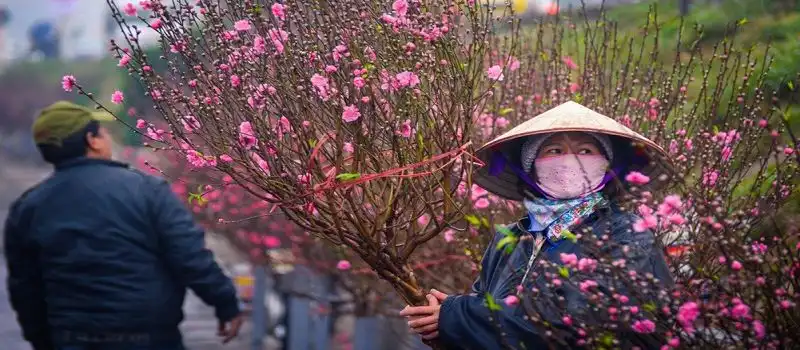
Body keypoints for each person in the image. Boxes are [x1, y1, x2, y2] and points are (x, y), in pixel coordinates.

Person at [400, 101, 674, 349]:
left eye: (585, 150)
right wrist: (446, 326)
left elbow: (582, 320)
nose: (570, 160)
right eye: (554, 150)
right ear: (530, 166)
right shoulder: (511, 239)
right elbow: (486, 308)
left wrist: (458, 316)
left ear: (605, 165)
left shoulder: (625, 233)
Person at [3, 101, 244, 350]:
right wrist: (226, 304)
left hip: (73, 339)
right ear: (92, 140)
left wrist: (43, 340)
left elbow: (24, 288)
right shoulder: (147, 191)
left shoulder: (28, 209)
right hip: (150, 339)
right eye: (103, 132)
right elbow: (189, 256)